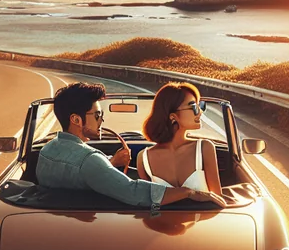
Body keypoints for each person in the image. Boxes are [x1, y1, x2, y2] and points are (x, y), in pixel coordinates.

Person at [35, 82, 226, 209]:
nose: (102, 120)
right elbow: (133, 192)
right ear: (76, 119)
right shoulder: (90, 160)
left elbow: (79, 173)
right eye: (97, 115)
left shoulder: (46, 151)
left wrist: (110, 162)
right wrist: (189, 192)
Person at [137, 83, 224, 197]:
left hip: (203, 215)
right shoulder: (144, 158)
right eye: (193, 107)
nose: (200, 112)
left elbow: (218, 200)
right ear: (173, 117)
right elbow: (148, 205)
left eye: (200, 106)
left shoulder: (204, 148)